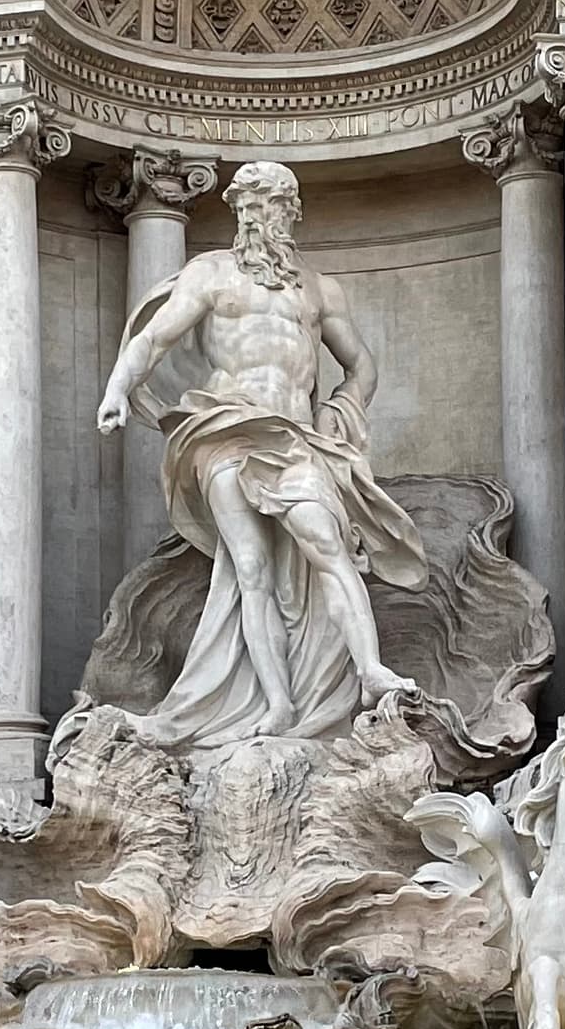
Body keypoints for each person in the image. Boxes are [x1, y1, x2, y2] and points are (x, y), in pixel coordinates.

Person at [94, 162, 427, 746]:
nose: (255, 214)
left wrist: (341, 406)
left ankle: (370, 669)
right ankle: (275, 705)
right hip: (226, 428)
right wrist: (117, 389)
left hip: (295, 436)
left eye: (268, 203)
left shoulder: (321, 289)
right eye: (246, 204)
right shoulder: (211, 274)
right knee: (250, 568)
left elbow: (362, 365)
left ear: (291, 211)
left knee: (327, 545)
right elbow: (154, 338)